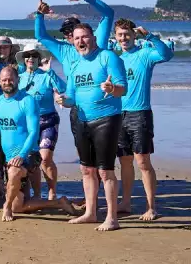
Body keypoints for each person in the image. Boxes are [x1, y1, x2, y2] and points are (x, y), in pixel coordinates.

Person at [56, 23, 127, 231]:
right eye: (77, 38)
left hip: (106, 119)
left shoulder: (108, 57)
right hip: (82, 120)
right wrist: (63, 100)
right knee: (86, 169)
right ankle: (91, 213)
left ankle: (112, 218)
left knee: (105, 172)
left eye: (84, 37)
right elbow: (71, 97)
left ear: (93, 38)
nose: (80, 42)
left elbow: (123, 89)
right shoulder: (75, 64)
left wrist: (112, 88)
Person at [0, 67, 76, 221]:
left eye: (11, 79)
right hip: (10, 159)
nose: (8, 82)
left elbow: (34, 132)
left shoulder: (28, 100)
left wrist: (22, 155)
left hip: (30, 154)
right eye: (4, 80)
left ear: (18, 80)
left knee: (14, 173)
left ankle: (6, 206)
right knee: (19, 206)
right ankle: (59, 203)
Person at [35, 0, 114, 155]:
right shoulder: (63, 50)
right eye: (65, 32)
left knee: (103, 156)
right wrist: (39, 15)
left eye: (72, 30)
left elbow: (109, 14)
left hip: (101, 106)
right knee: (85, 156)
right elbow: (41, 36)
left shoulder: (96, 42)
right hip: (77, 107)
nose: (69, 35)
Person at [113, 20, 174, 221]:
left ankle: (151, 207)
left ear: (134, 35)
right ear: (115, 37)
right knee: (125, 162)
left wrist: (150, 36)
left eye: (127, 34)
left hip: (139, 114)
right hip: (117, 115)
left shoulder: (145, 54)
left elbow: (166, 54)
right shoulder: (114, 57)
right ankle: (126, 202)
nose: (124, 38)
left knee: (143, 162)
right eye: (120, 35)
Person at [15, 44, 66, 200]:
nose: (31, 58)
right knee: (32, 159)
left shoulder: (46, 75)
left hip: (48, 120)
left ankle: (52, 191)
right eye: (28, 56)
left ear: (39, 58)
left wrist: (50, 71)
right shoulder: (19, 78)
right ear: (23, 59)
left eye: (34, 55)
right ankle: (36, 194)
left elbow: (62, 88)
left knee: (45, 158)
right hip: (28, 123)